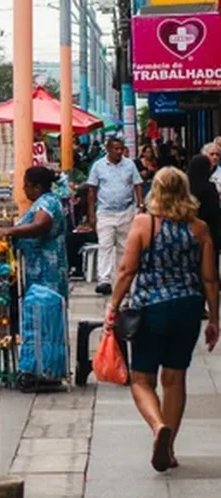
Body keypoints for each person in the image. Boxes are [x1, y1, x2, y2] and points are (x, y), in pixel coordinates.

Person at [104, 166, 219, 472]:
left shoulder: (144, 224)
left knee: (142, 379)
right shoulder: (199, 228)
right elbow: (210, 279)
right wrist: (214, 320)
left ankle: (157, 428)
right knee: (175, 378)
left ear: (156, 191)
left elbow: (127, 271)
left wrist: (113, 307)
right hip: (188, 307)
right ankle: (168, 448)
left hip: (150, 309)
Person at [0, 166, 68, 299]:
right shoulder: (52, 199)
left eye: (26, 185)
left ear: (37, 187)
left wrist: (9, 231)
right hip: (47, 266)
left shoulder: (46, 203)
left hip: (45, 269)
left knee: (45, 305)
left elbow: (40, 225)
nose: (24, 189)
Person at [87, 137, 144, 295]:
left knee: (124, 247)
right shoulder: (98, 166)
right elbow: (92, 191)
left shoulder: (129, 164)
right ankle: (104, 279)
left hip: (126, 211)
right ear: (108, 149)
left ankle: (121, 279)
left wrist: (141, 205)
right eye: (115, 149)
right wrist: (91, 214)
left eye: (121, 149)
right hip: (105, 212)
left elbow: (137, 184)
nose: (119, 152)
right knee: (105, 245)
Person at [187, 155, 220, 274]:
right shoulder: (209, 188)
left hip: (189, 230)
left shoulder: (185, 186)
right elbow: (214, 211)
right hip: (208, 230)